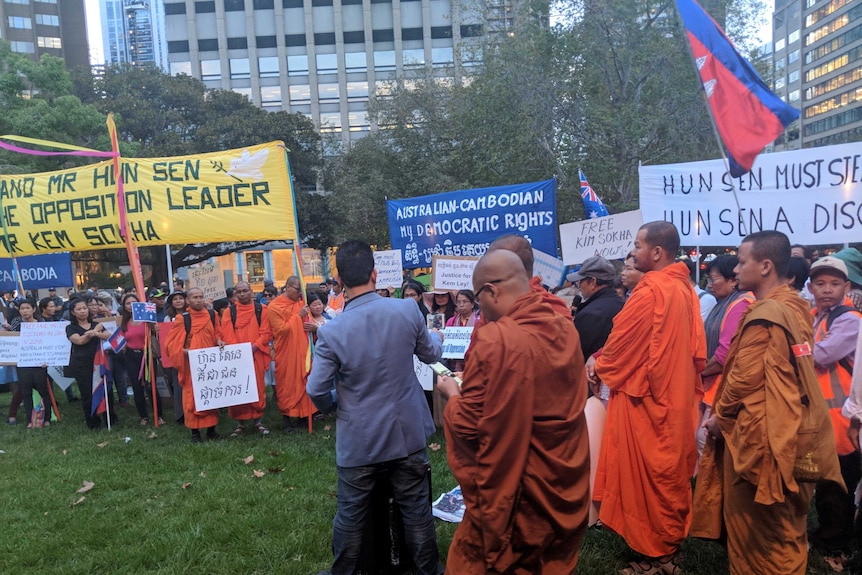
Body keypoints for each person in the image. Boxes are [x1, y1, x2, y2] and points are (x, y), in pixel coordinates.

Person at [693, 231, 843, 575]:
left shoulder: (767, 313)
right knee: (785, 527)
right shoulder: (794, 306)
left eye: (742, 262)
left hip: (761, 437)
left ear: (764, 266)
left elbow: (743, 379)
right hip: (790, 429)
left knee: (760, 531)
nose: (736, 270)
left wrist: (719, 415)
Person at [437, 250, 590, 574]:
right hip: (562, 479)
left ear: (490, 291)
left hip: (517, 495)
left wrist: (452, 396)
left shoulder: (497, 340)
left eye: (479, 300)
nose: (481, 310)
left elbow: (470, 426)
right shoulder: (562, 323)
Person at [307, 240, 444, 575]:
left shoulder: (333, 331)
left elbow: (315, 389)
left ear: (338, 281)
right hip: (406, 431)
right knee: (416, 510)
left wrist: (335, 405)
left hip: (360, 438)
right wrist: (436, 335)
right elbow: (432, 354)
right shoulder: (406, 310)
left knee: (351, 513)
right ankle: (429, 570)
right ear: (374, 273)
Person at [588, 221, 705, 574]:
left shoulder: (653, 290)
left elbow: (622, 346)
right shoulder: (683, 287)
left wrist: (599, 364)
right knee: (668, 476)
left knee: (654, 478)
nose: (633, 251)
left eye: (638, 245)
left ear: (656, 252)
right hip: (677, 398)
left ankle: (658, 557)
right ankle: (668, 549)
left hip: (650, 402)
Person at [807, 256, 861, 565]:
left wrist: (794, 345)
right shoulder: (816, 315)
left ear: (847, 286)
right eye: (821, 283)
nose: (827, 289)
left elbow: (821, 354)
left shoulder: (849, 320)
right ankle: (829, 534)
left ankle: (837, 547)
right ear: (811, 286)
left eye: (835, 283)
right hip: (822, 416)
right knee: (826, 483)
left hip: (841, 419)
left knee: (838, 483)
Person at [696, 256, 754, 465]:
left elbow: (724, 355)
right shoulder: (725, 304)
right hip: (714, 384)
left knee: (706, 440)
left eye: (714, 279)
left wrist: (698, 372)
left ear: (732, 280)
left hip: (724, 386)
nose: (710, 285)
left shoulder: (740, 305)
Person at [163, 288, 224, 442]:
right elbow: (171, 345)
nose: (198, 300)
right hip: (191, 365)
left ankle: (212, 430)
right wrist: (187, 352)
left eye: (201, 297)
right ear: (188, 301)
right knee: (192, 397)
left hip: (209, 364)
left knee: (211, 394)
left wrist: (219, 341)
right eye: (195, 297)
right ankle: (195, 433)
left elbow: (217, 333)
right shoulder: (182, 319)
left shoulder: (212, 315)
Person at [221, 281, 273, 437]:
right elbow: (227, 334)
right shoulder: (229, 312)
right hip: (237, 356)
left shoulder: (261, 309)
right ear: (235, 294)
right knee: (238, 388)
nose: (242, 294)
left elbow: (266, 332)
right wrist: (239, 352)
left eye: (245, 291)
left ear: (251, 291)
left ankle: (258, 421)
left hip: (256, 353)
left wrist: (254, 347)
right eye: (239, 292)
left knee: (257, 387)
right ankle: (240, 423)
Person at [268, 276, 314, 432]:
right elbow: (281, 330)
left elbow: (307, 324)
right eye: (297, 289)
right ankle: (286, 419)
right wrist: (298, 316)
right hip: (286, 352)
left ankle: (303, 416)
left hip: (302, 351)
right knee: (286, 384)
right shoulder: (274, 306)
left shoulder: (301, 303)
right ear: (287, 287)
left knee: (304, 380)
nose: (300, 293)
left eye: (302, 290)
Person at [65, 297, 112, 429]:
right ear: (73, 312)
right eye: (78, 309)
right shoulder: (70, 327)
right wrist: (93, 333)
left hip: (99, 362)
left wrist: (95, 332)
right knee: (87, 394)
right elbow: (79, 341)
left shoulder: (96, 323)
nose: (82, 311)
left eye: (84, 308)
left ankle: (109, 417)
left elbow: (108, 335)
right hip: (82, 365)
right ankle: (93, 422)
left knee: (105, 390)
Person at [119, 294, 163, 426]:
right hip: (131, 356)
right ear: (124, 306)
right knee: (137, 387)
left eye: (134, 302)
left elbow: (157, 335)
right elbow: (120, 339)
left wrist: (155, 330)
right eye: (128, 303)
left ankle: (159, 415)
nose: (131, 306)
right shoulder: (124, 322)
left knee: (151, 386)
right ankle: (143, 416)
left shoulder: (147, 320)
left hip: (147, 354)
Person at [569, 256, 624, 361]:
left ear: (593, 282)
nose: (579, 286)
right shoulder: (624, 305)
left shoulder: (589, 314)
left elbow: (574, 354)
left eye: (580, 281)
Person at [12, 299, 54, 428]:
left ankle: (46, 418)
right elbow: (12, 344)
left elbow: (48, 343)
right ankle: (30, 419)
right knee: (26, 392)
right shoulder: (17, 326)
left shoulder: (41, 324)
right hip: (23, 364)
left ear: (33, 309)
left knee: (43, 390)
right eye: (22, 309)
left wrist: (46, 359)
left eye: (27, 308)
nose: (25, 311)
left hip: (39, 364)